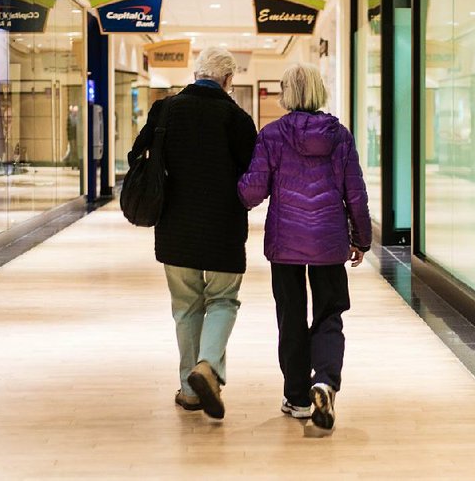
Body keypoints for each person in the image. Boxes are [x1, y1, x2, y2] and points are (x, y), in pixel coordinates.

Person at [237, 63, 371, 433]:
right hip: (329, 243)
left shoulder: (272, 135)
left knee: (291, 318)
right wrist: (361, 238)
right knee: (330, 312)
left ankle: (296, 398)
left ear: (286, 94)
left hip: (286, 244)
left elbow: (252, 191)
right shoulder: (339, 136)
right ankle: (324, 381)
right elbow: (355, 193)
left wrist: (234, 182)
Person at [128, 47, 257, 420]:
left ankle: (190, 390)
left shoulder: (165, 110)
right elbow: (252, 175)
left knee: (185, 307)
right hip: (223, 228)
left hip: (175, 229)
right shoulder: (237, 118)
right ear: (228, 80)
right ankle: (207, 367)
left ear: (195, 73)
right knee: (222, 301)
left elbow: (136, 154)